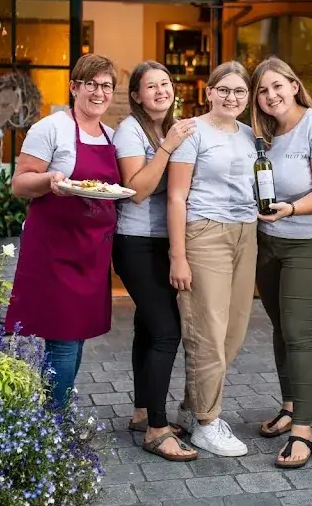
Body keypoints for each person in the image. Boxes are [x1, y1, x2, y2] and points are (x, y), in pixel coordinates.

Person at [7, 53, 122, 408]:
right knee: (64, 338)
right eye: (90, 84)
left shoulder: (111, 135)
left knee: (79, 334)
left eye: (106, 86)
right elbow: (20, 183)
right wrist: (50, 179)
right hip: (56, 249)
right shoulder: (51, 128)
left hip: (92, 251)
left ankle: (55, 412)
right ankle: (54, 420)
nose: (99, 92)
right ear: (74, 87)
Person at [250, 57, 312, 469]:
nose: (271, 96)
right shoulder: (263, 133)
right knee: (280, 328)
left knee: (299, 332)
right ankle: (289, 405)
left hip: (311, 243)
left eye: (277, 86)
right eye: (262, 90)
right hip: (268, 243)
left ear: (293, 84)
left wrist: (289, 210)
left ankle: (303, 430)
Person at [168, 61, 258, 458]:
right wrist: (178, 256)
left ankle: (193, 407)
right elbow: (176, 197)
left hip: (246, 232)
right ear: (208, 92)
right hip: (205, 233)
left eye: (239, 91)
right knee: (207, 331)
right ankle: (207, 422)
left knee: (233, 331)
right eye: (224, 90)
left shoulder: (251, 134)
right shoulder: (192, 131)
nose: (232, 97)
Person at [112, 60, 198, 462]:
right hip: (136, 241)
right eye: (151, 86)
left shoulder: (175, 125)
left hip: (167, 240)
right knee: (167, 331)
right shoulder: (132, 130)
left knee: (148, 328)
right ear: (136, 96)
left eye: (166, 83)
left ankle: (143, 410)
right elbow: (137, 191)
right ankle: (157, 429)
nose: (162, 91)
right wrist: (166, 147)